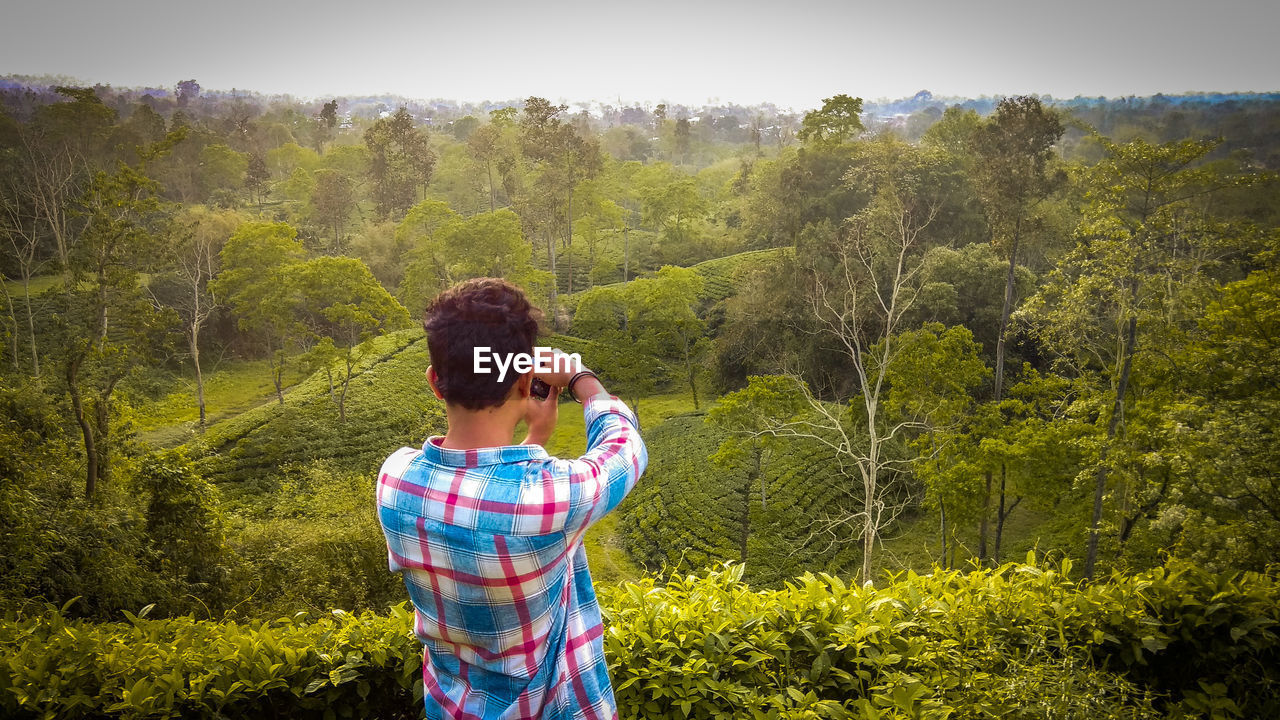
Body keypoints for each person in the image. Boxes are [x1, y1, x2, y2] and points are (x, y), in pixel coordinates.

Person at [376, 277, 648, 719]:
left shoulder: (396, 478)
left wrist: (535, 436)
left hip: (453, 707)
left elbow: (482, 493)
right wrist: (582, 380)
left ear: (435, 382)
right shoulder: (550, 498)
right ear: (525, 383)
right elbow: (626, 449)